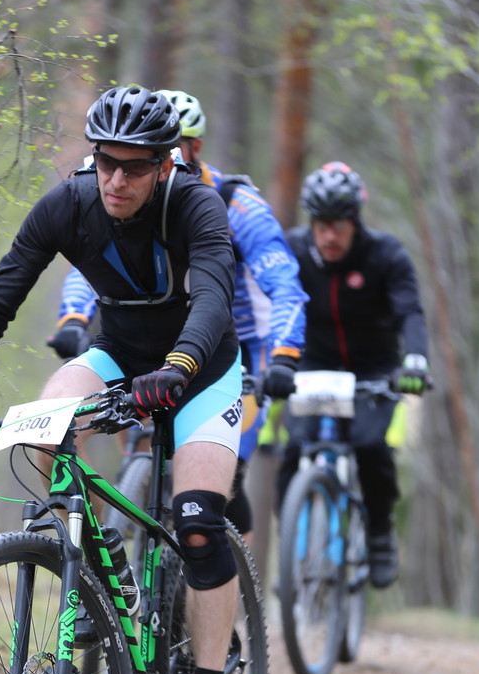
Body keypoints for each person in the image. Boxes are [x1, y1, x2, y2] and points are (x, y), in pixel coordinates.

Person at [0, 84, 244, 674]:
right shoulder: (67, 205)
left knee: (194, 522)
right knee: (40, 428)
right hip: (117, 355)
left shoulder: (195, 204)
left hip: (205, 367)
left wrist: (181, 366)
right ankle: (97, 573)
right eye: (104, 163)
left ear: (164, 164)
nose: (115, 180)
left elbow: (215, 294)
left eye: (132, 167)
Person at [48, 87, 308, 539]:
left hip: (239, 349)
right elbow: (91, 267)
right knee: (136, 439)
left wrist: (285, 354)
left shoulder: (237, 205)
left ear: (192, 149)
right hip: (155, 346)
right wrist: (73, 321)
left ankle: (227, 589)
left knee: (224, 480)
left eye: (167, 147)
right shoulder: (129, 199)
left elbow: (285, 285)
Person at [279, 161, 431, 589]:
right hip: (314, 366)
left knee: (371, 449)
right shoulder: (293, 250)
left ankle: (380, 535)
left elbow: (410, 312)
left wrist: (415, 360)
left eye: (339, 226)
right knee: (294, 450)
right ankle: (293, 546)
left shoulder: (386, 255)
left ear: (355, 222)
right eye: (321, 224)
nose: (328, 236)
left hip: (375, 371)